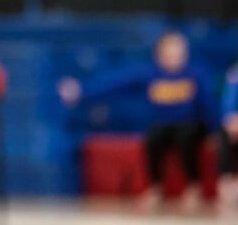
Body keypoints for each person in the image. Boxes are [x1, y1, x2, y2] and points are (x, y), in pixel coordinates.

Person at [58, 31, 219, 210]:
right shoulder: (151, 74)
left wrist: (214, 131)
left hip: (192, 125)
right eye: (169, 53)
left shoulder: (195, 74)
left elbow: (208, 103)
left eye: (178, 52)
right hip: (164, 126)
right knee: (153, 138)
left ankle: (193, 188)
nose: (174, 57)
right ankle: (156, 188)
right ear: (160, 54)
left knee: (185, 137)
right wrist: (82, 91)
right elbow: (116, 84)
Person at [221, 63, 238, 207]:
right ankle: (228, 180)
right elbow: (229, 101)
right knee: (227, 131)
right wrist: (232, 118)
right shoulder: (237, 73)